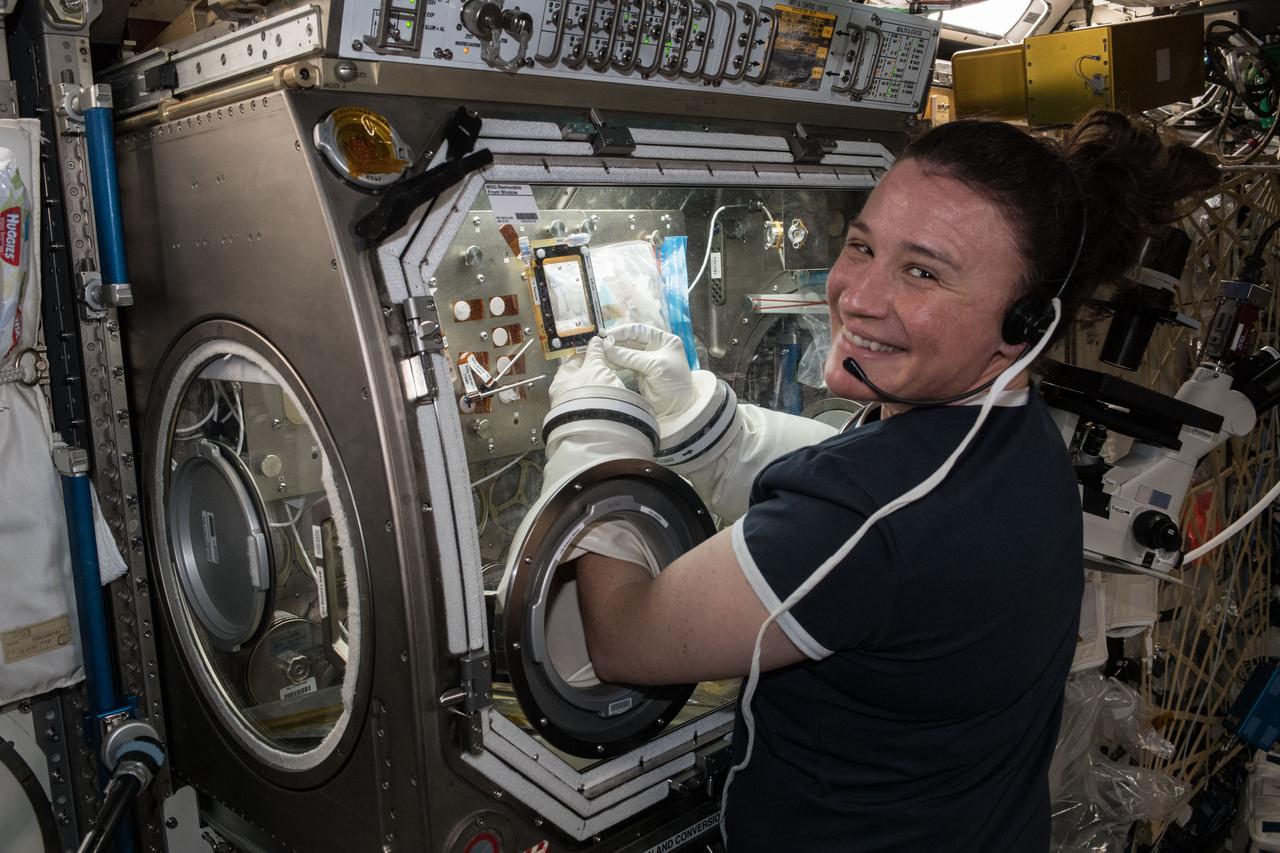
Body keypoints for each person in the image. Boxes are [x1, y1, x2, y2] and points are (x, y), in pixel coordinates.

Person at [544, 111, 1218, 851]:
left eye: (921, 271)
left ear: (1023, 322)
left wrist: (591, 428)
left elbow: (622, 637)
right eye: (862, 245)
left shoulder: (868, 516)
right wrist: (707, 422)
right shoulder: (1017, 435)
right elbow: (858, 490)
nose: (857, 295)